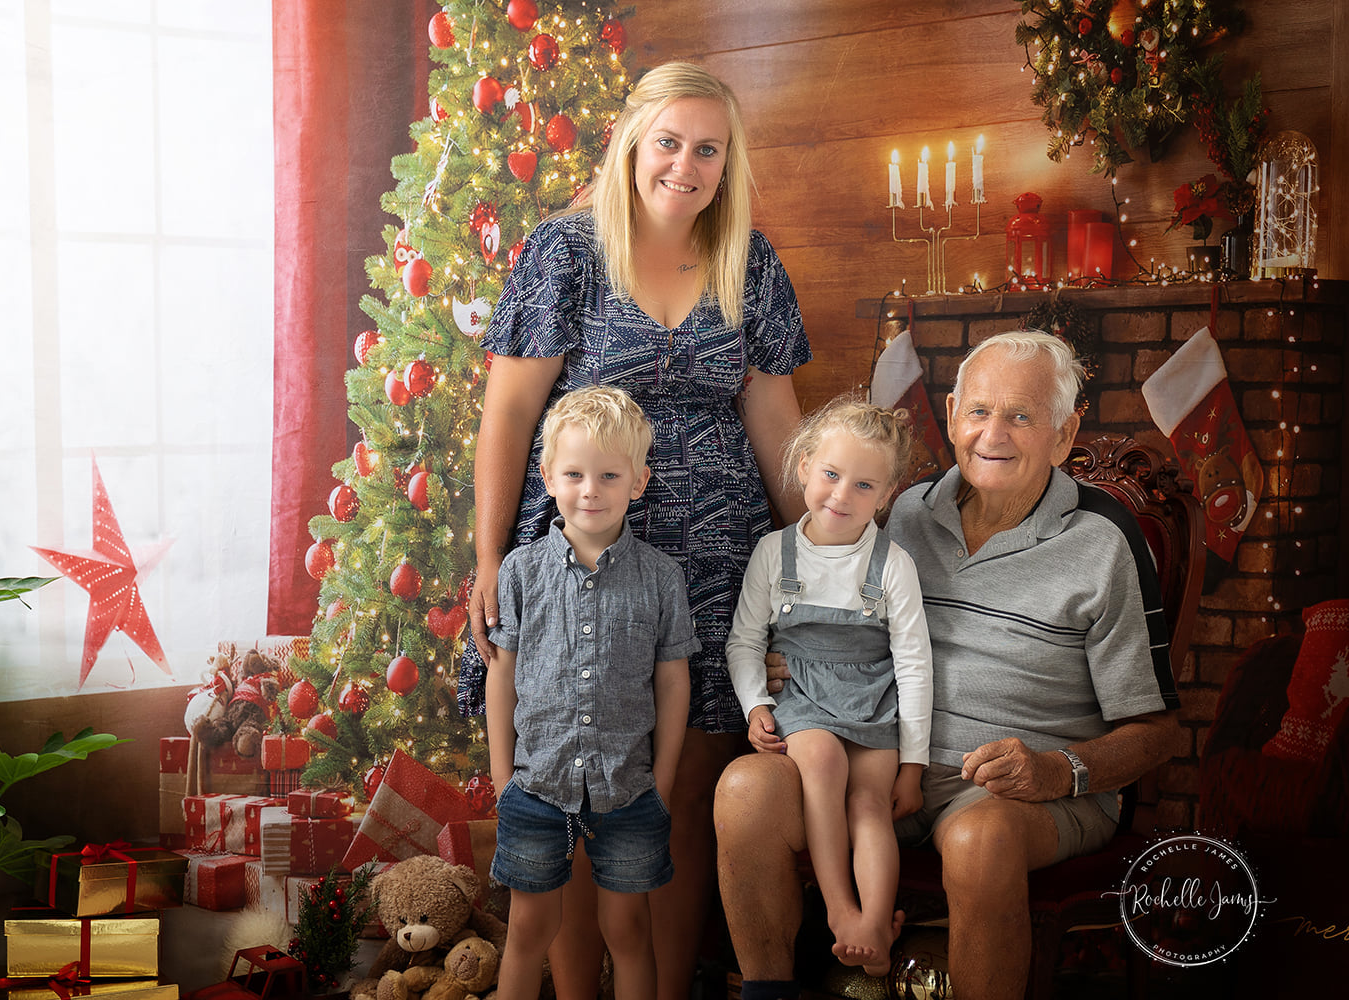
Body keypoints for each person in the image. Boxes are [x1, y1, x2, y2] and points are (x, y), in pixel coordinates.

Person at [460, 61, 811, 998]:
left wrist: (820, 563)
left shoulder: (751, 261)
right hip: (580, 554)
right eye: (669, 141)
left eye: (708, 148)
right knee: (567, 778)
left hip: (712, 565)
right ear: (632, 143)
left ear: (727, 162)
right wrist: (491, 557)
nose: (685, 165)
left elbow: (779, 430)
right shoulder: (566, 253)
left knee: (680, 792)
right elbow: (507, 416)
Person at [715, 331, 1181, 1000]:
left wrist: (1055, 771)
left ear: (1065, 430)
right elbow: (821, 604)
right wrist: (782, 659)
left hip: (1027, 793)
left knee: (978, 839)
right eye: (980, 411)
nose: (995, 433)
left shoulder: (1102, 542)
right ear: (954, 411)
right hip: (877, 760)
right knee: (745, 791)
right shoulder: (901, 511)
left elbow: (1157, 731)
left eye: (1022, 416)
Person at [486, 386, 698, 1000]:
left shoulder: (661, 577)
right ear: (549, 476)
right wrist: (504, 778)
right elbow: (503, 676)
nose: (590, 490)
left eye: (609, 475)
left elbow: (672, 680)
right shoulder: (521, 572)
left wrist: (662, 779)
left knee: (628, 928)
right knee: (529, 926)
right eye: (574, 474)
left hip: (628, 788)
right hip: (535, 784)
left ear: (638, 481)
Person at [726, 397, 932, 967]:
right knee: (820, 763)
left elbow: (914, 661)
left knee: (869, 805)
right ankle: (839, 907)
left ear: (887, 494)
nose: (842, 496)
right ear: (804, 467)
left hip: (873, 702)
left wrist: (912, 763)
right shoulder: (775, 553)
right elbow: (744, 641)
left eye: (864, 486)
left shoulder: (893, 565)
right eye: (832, 475)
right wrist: (756, 705)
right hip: (805, 698)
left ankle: (874, 922)